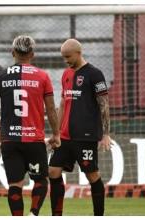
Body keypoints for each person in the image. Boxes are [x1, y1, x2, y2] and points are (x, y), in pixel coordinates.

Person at [0, 35, 60, 216]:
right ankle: (33, 214)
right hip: (34, 139)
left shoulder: (1, 76)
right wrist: (56, 134)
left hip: (10, 140)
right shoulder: (43, 77)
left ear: (13, 53)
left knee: (14, 185)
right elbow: (50, 108)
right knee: (41, 180)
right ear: (32, 54)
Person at [48, 38, 111, 216]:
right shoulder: (66, 74)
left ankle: (99, 215)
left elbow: (104, 104)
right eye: (63, 57)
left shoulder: (95, 74)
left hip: (85, 136)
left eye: (68, 56)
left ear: (78, 53)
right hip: (65, 136)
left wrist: (106, 134)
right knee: (53, 171)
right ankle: (56, 215)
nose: (65, 60)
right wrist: (56, 132)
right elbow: (63, 102)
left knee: (92, 175)